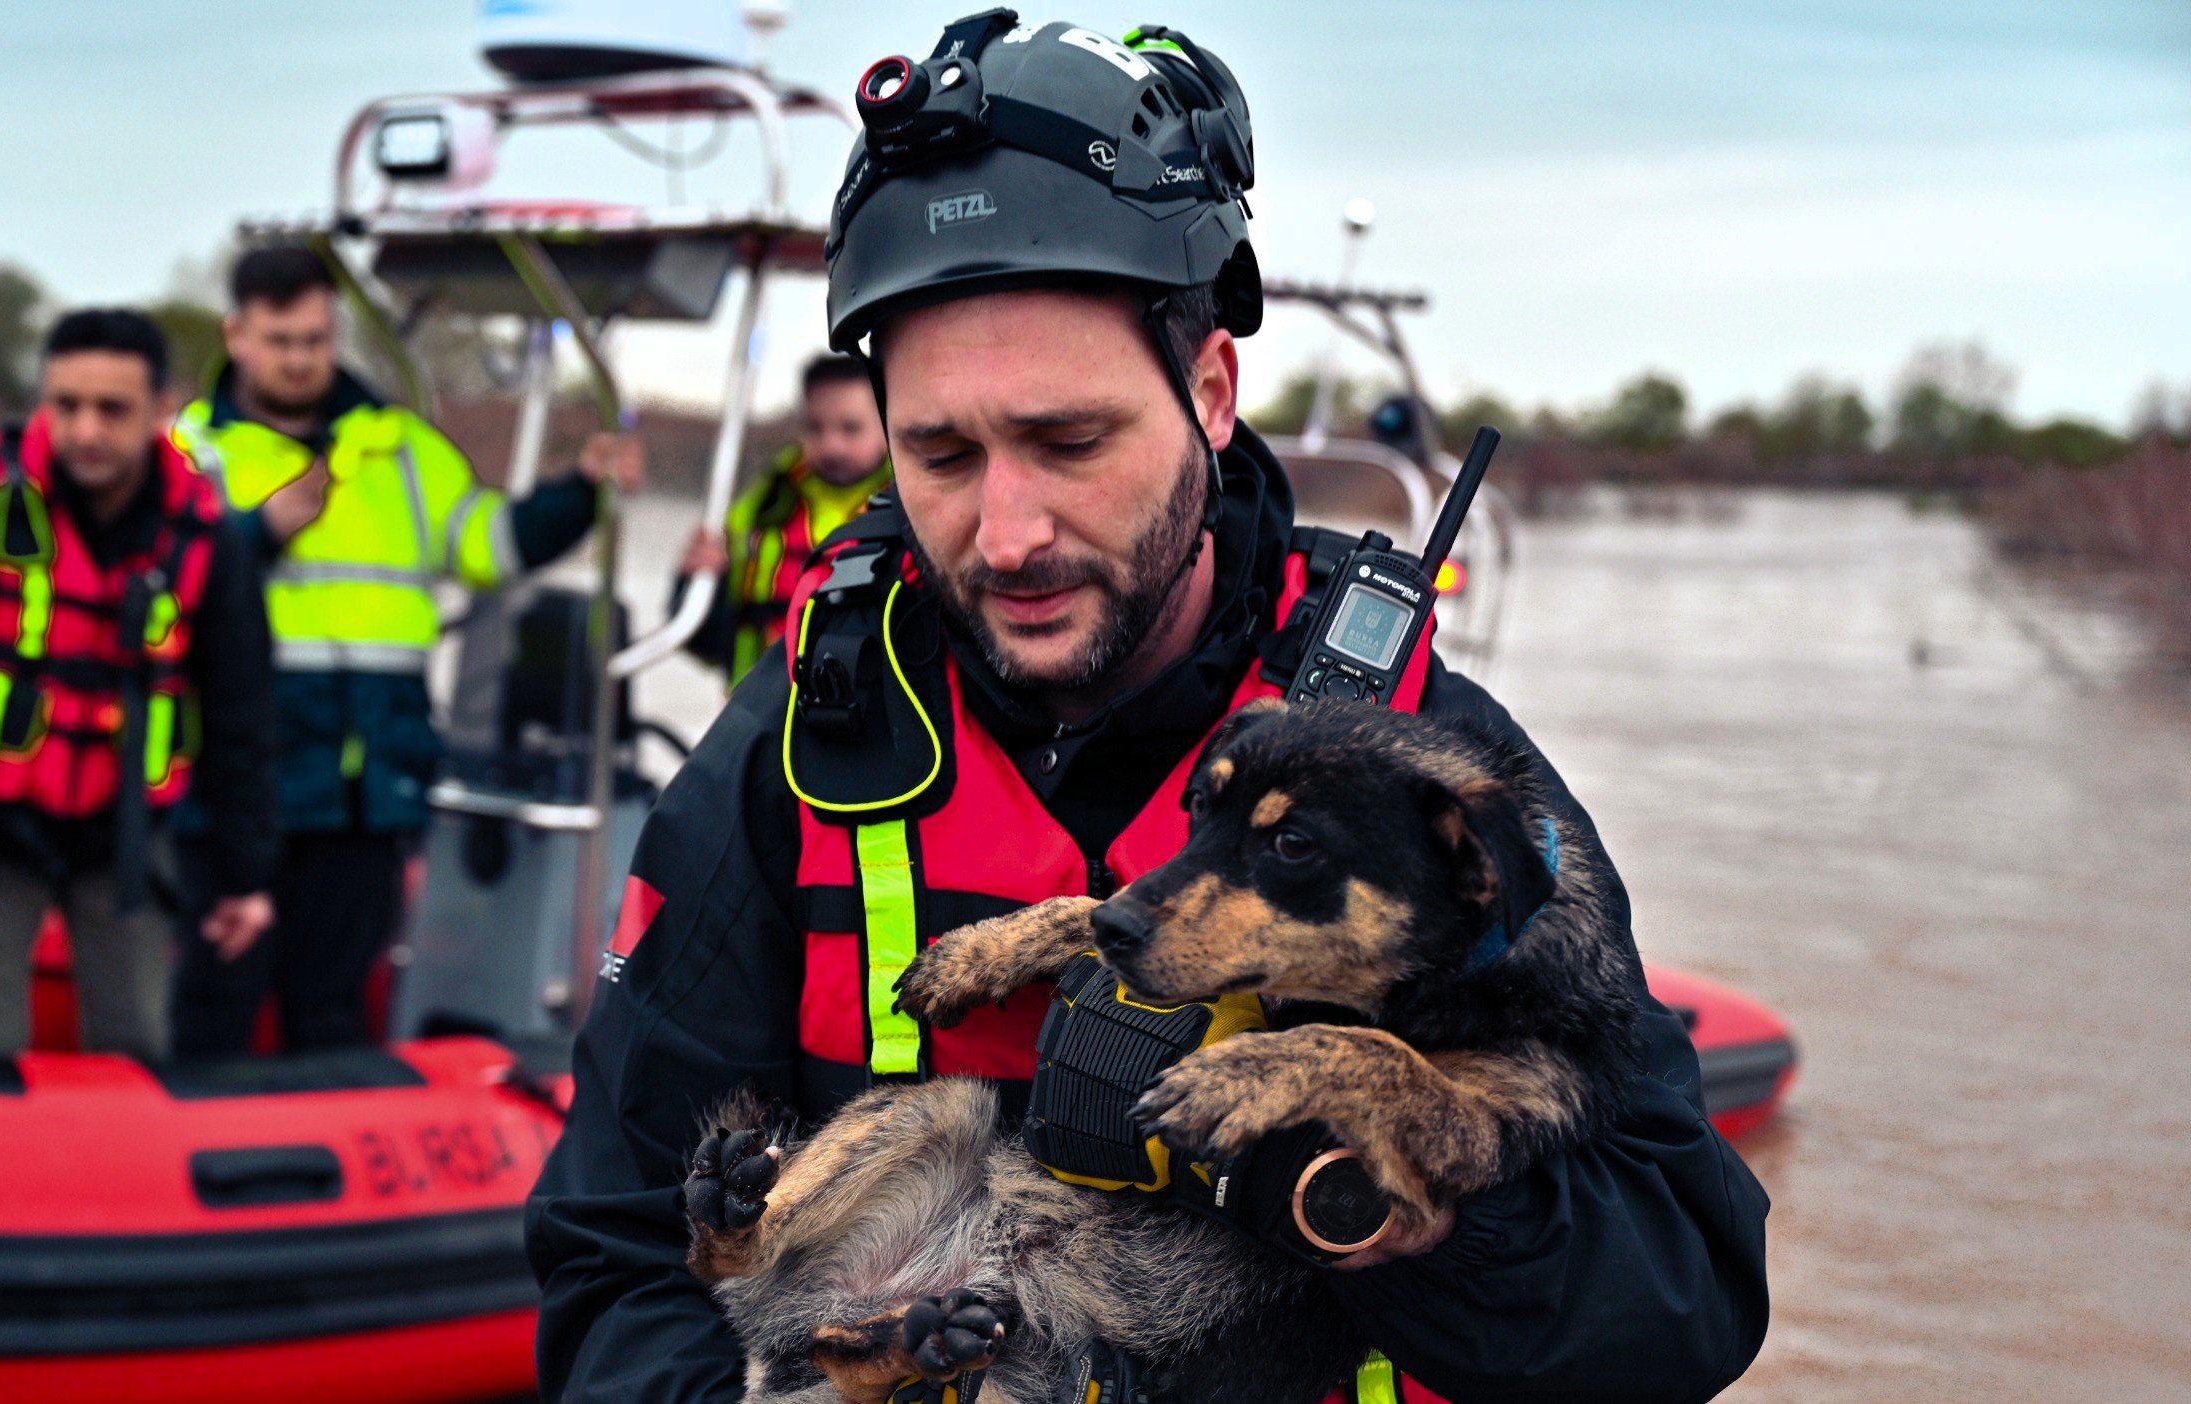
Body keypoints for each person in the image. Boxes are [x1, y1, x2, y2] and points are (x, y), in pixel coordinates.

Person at [526, 16, 1769, 1404]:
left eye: (1070, 441)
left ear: (1211, 394)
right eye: (940, 454)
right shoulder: (797, 740)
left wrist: (1352, 1180)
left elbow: (1681, 1306)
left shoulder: (1426, 771)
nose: (1007, 533)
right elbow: (617, 1257)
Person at [167, 245, 643, 1058]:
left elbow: (490, 544)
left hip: (366, 786)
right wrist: (257, 532)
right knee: (215, 1002)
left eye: (315, 339)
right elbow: (154, 586)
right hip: (235, 785)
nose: (299, 358)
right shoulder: (189, 454)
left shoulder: (402, 450)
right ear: (236, 335)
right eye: (280, 341)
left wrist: (580, 490)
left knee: (333, 1003)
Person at [0, 308, 278, 1062]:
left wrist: (244, 875)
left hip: (126, 836)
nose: (85, 431)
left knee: (135, 1040)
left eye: (112, 409)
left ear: (161, 412)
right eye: (65, 405)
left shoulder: (206, 541)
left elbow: (242, 712)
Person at [677, 354, 892, 681]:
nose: (831, 445)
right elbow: (701, 639)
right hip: (754, 701)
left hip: (864, 706)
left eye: (850, 428)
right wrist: (699, 578)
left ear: (886, 425)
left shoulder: (908, 511)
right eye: (815, 427)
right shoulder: (761, 506)